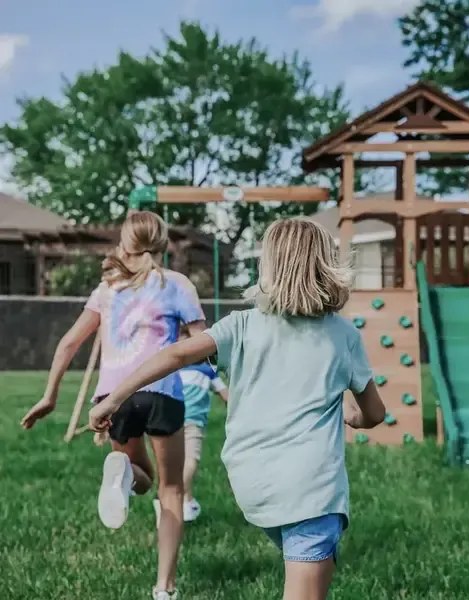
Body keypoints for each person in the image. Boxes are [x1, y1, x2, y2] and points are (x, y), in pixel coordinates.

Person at [89, 217, 386, 600]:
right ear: (327, 266)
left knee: (307, 555)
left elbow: (177, 353)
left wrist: (113, 398)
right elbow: (375, 413)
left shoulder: (242, 325)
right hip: (312, 490)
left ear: (269, 266)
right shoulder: (343, 334)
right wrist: (354, 416)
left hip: (253, 485)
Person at [21, 211, 206, 600]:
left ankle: (122, 472)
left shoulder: (107, 289)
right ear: (162, 241)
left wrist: (49, 395)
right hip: (163, 394)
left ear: (126, 242)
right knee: (170, 490)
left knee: (139, 473)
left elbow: (69, 343)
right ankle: (164, 589)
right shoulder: (177, 285)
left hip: (112, 400)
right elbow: (200, 344)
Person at [153, 327, 229, 527]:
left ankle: (186, 502)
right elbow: (227, 397)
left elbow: (227, 396)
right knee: (189, 463)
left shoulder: (207, 372)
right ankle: (166, 499)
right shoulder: (176, 371)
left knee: (184, 464)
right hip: (182, 422)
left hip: (186, 422)